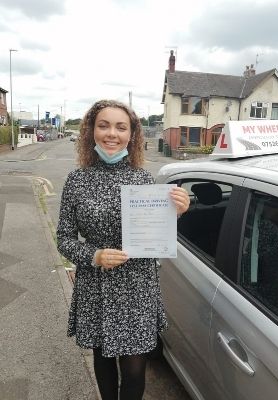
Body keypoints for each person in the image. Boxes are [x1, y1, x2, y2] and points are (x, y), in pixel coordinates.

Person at [56, 99, 190, 400]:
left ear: (132, 134)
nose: (111, 134)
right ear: (91, 131)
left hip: (137, 288)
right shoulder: (77, 180)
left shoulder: (144, 179)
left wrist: (176, 213)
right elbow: (64, 238)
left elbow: (156, 238)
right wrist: (95, 255)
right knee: (103, 363)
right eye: (103, 125)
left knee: (134, 371)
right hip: (97, 286)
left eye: (121, 127)